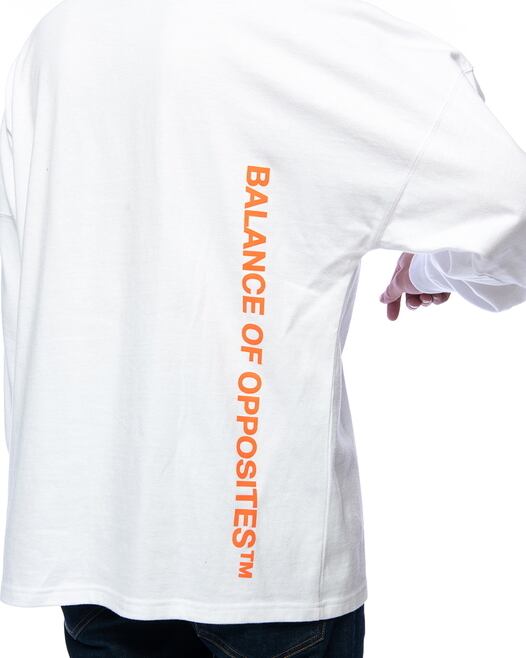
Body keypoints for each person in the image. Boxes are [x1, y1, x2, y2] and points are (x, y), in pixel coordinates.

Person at [0, 0, 525, 656]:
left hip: (97, 545)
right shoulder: (310, 34)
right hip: (261, 561)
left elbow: (25, 285)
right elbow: (511, 206)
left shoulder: (58, 37)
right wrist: (435, 264)